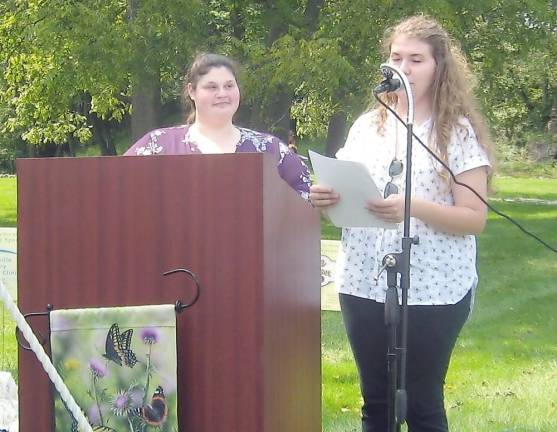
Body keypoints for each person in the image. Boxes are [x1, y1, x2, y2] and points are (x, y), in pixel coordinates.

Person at [310, 15, 493, 432]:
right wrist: (327, 199)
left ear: (438, 67)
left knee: (422, 402)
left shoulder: (457, 133)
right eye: (396, 58)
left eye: (416, 59)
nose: (403, 69)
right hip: (363, 280)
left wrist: (413, 208)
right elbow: (349, 194)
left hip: (434, 286)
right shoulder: (366, 126)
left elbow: (474, 218)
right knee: (376, 400)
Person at [124, 53, 311, 200]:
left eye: (229, 86)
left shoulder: (270, 149)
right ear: (191, 91)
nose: (222, 93)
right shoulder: (158, 145)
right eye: (212, 87)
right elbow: (116, 188)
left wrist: (324, 200)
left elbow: (305, 197)